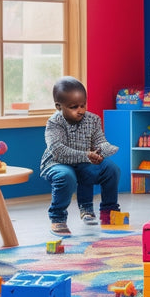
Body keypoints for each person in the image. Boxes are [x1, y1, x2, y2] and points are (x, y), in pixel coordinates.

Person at [40, 76, 121, 236]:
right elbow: (58, 150)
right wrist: (87, 155)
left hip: (84, 162)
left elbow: (100, 142)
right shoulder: (54, 123)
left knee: (112, 169)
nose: (81, 110)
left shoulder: (93, 120)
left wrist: (104, 151)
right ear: (59, 106)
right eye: (74, 107)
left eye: (83, 105)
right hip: (57, 163)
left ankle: (109, 212)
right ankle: (58, 218)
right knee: (66, 176)